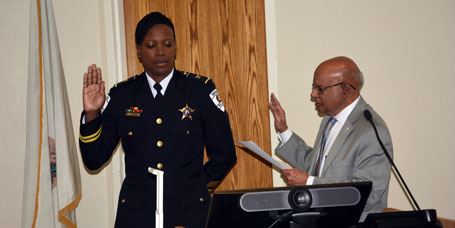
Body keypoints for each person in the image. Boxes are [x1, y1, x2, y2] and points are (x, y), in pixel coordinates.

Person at [79, 12, 236, 228]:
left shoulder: (199, 91)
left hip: (188, 214)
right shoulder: (122, 95)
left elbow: (225, 155)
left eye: (168, 44)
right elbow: (94, 160)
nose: (161, 52)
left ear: (175, 48)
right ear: (139, 52)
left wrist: (195, 187)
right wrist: (92, 114)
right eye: (151, 45)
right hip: (137, 215)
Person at [269, 56, 392, 221]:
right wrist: (283, 130)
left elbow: (367, 194)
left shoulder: (372, 131)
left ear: (346, 89)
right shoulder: (330, 120)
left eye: (320, 89)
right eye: (313, 87)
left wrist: (309, 183)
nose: (313, 94)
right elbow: (314, 166)